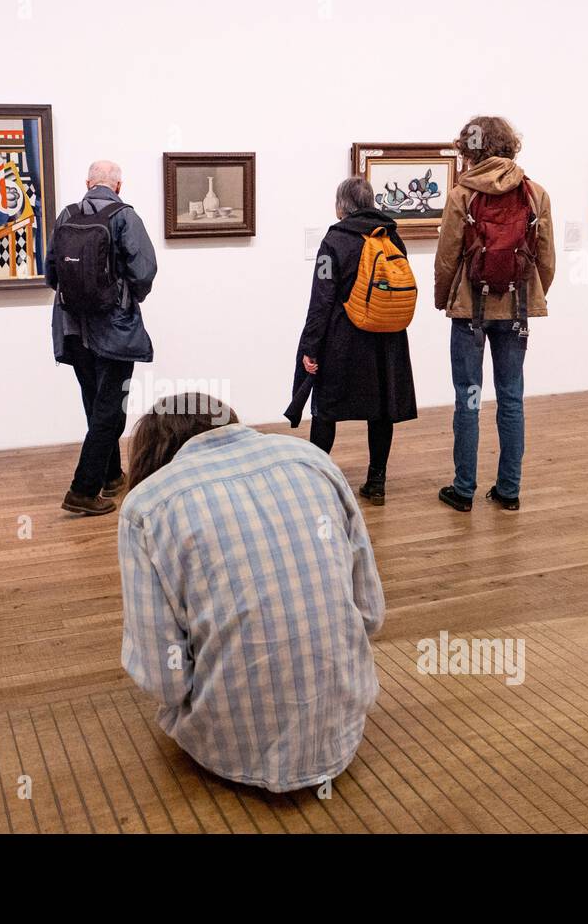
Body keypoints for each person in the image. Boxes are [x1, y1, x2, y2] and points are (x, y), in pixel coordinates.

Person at [118, 393, 385, 793]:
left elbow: (165, 681)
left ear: (152, 453)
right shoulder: (313, 460)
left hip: (227, 752)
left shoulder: (146, 506)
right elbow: (370, 614)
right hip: (343, 731)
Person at [434, 116, 555, 512]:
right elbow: (548, 260)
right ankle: (509, 490)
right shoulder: (536, 194)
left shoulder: (460, 196)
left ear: (469, 150)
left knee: (468, 399)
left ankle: (464, 490)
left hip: (470, 308)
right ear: (508, 145)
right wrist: (534, 294)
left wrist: (444, 299)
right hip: (517, 309)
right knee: (512, 398)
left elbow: (447, 257)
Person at [291, 177, 418, 505]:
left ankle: (319, 479)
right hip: (387, 341)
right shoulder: (391, 235)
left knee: (326, 409)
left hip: (342, 340)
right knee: (382, 412)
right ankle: (377, 482)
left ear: (341, 206)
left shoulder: (335, 241)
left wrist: (310, 347)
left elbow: (321, 299)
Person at [47, 160, 157, 516]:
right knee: (111, 408)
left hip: (72, 328)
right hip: (113, 329)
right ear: (119, 187)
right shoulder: (124, 216)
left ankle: (111, 476)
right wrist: (126, 297)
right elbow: (145, 269)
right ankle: (82, 490)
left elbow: (50, 272)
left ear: (87, 183)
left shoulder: (66, 215)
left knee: (95, 403)